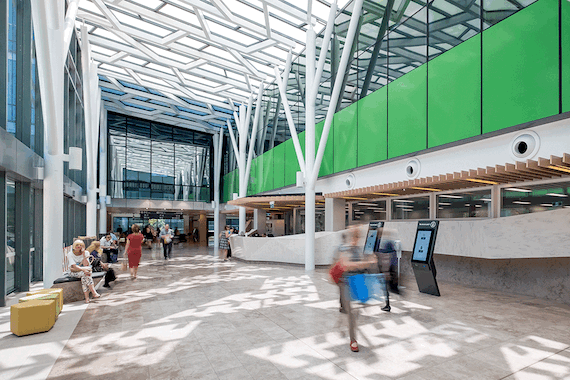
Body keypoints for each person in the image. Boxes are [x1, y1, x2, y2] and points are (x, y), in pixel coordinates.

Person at [337, 226, 377, 353]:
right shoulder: (344, 249)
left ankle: (344, 316)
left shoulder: (359, 250)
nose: (356, 238)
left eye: (357, 236)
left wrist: (369, 262)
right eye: (354, 235)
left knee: (354, 311)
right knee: (352, 313)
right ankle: (353, 340)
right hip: (345, 283)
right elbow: (346, 265)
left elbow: (363, 264)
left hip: (357, 282)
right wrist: (365, 263)